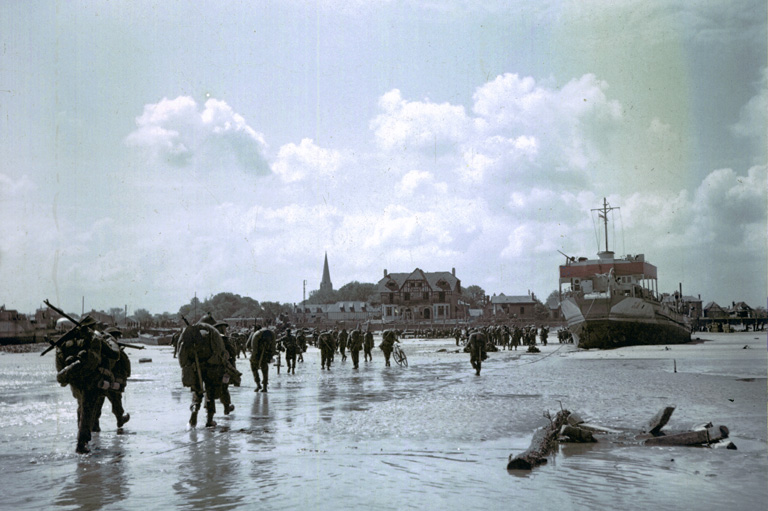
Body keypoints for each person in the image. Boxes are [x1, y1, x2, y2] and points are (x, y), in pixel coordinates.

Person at [53, 316, 114, 453]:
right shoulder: (93, 339)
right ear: (92, 326)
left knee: (81, 407)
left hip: (74, 380)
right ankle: (82, 443)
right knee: (87, 410)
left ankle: (83, 438)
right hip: (90, 379)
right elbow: (112, 354)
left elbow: (59, 363)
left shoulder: (65, 342)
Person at [178, 314, 241, 428]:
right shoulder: (214, 335)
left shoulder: (192, 335)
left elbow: (182, 352)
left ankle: (193, 417)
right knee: (211, 394)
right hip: (213, 368)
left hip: (196, 368)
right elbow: (224, 353)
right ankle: (209, 420)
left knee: (197, 393)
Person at [93, 326, 131, 433]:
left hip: (101, 380)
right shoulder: (116, 351)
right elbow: (125, 368)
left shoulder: (100, 349)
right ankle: (120, 419)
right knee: (116, 402)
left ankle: (95, 425)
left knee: (98, 403)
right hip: (112, 381)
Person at [249, 325, 276, 392]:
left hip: (257, 354)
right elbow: (273, 346)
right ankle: (265, 387)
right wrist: (271, 355)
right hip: (267, 354)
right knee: (265, 370)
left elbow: (251, 346)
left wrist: (253, 356)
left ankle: (258, 385)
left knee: (254, 368)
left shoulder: (255, 334)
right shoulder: (270, 333)